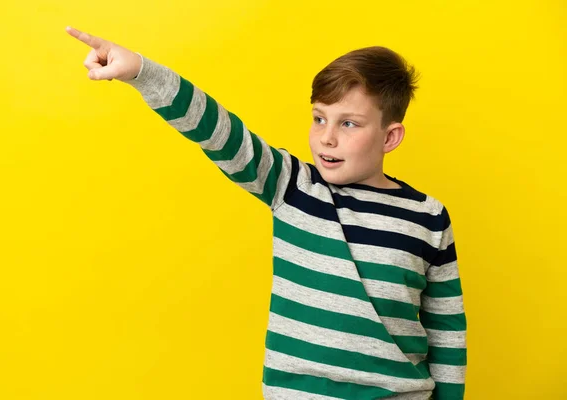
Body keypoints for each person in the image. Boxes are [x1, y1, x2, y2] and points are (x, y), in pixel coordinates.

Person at [65, 26, 467, 400]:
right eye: (318, 118)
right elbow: (216, 129)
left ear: (390, 136)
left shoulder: (428, 216)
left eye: (349, 123)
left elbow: (447, 331)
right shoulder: (290, 186)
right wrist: (140, 71)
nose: (327, 136)